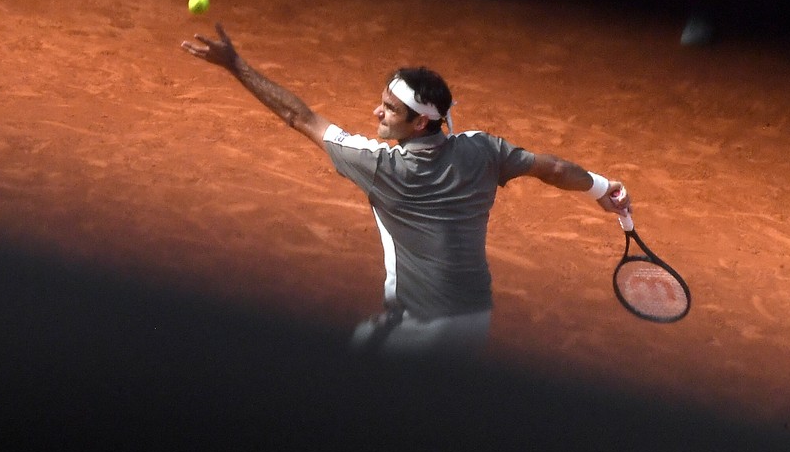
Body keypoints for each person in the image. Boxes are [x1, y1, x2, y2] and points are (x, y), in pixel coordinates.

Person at [180, 23, 632, 356]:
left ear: (419, 122)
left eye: (389, 109)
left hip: (418, 330)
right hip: (475, 319)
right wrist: (603, 188)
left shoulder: (380, 167)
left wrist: (236, 64)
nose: (376, 112)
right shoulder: (483, 150)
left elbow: (298, 117)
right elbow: (551, 167)